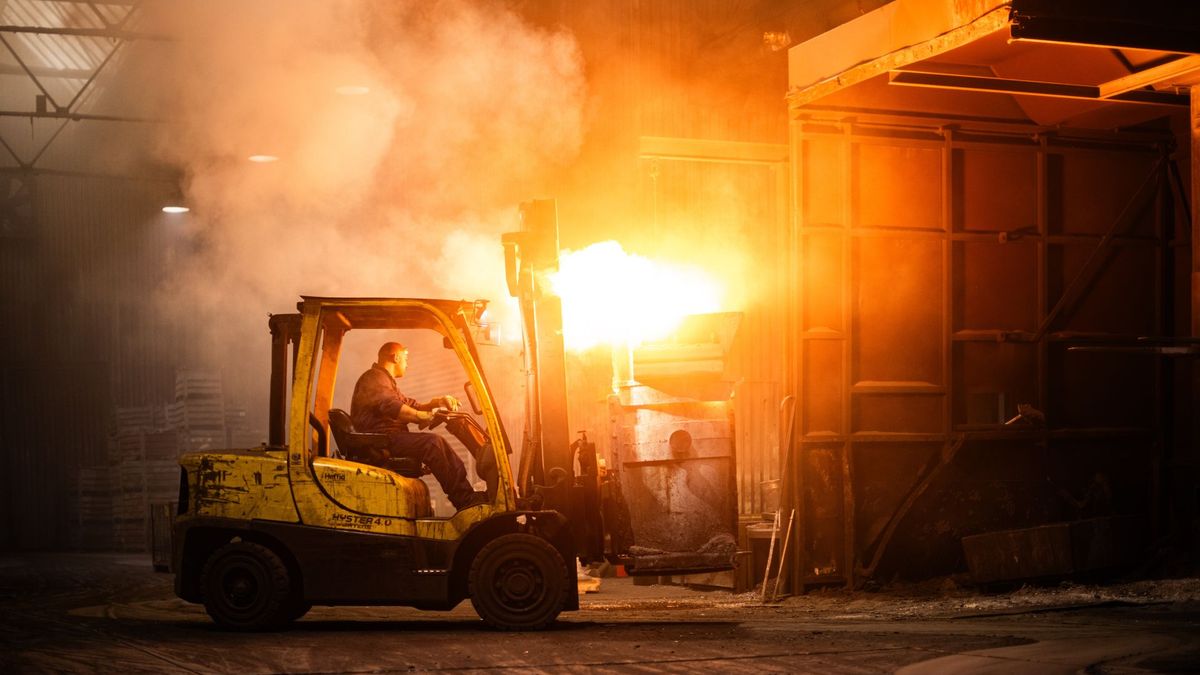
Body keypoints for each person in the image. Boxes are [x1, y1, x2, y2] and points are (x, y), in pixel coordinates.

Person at [350, 341, 488, 511]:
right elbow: (391, 406)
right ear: (396, 357)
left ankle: (466, 496)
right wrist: (421, 416)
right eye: (406, 359)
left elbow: (411, 404)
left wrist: (437, 402)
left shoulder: (385, 381)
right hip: (380, 441)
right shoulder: (374, 378)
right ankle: (466, 500)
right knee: (433, 443)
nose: (407, 364)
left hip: (386, 439)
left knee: (436, 443)